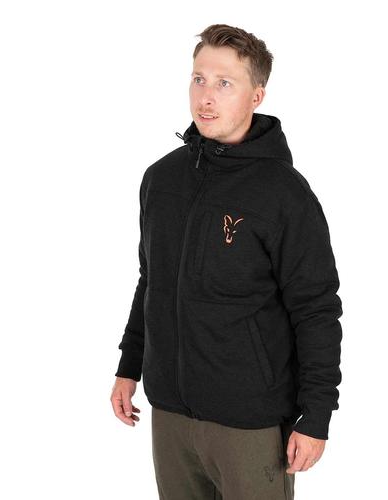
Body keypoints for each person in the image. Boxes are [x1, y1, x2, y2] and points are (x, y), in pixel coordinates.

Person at [110, 23, 343, 499]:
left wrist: (316, 415)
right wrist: (129, 365)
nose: (206, 97)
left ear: (257, 96)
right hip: (170, 413)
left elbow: (316, 309)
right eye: (199, 79)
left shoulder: (284, 195)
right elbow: (151, 279)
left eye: (224, 83)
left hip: (250, 421)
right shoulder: (161, 179)